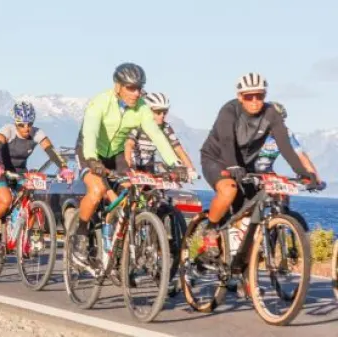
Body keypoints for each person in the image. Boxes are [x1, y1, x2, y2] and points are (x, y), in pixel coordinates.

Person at [197, 73, 320, 256]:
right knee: (229, 190)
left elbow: (286, 147)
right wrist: (232, 166)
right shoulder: (230, 110)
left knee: (250, 210)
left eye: (260, 96)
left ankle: (244, 267)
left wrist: (303, 172)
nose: (255, 101)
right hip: (217, 159)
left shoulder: (272, 114)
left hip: (244, 165)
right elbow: (226, 140)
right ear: (240, 97)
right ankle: (210, 228)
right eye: (249, 96)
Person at [72, 63, 183, 264]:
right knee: (97, 191)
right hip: (89, 152)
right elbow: (90, 132)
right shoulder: (101, 102)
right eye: (130, 88)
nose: (136, 93)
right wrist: (92, 159)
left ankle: (118, 241)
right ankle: (79, 236)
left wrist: (175, 164)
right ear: (118, 87)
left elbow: (156, 135)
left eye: (139, 88)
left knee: (132, 192)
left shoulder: (141, 108)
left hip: (115, 154)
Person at [0, 100, 73, 250]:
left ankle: (23, 236)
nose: (26, 128)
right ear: (15, 123)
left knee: (30, 200)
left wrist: (64, 168)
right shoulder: (8, 130)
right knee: (5, 200)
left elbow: (51, 151)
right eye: (21, 124)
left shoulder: (37, 133)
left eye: (29, 124)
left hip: (19, 171)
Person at [124, 92, 197, 177]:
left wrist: (191, 169)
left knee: (155, 188)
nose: (162, 116)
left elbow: (178, 149)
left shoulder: (165, 127)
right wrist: (127, 163)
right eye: (158, 112)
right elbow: (129, 144)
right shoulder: (138, 124)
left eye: (165, 112)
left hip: (148, 164)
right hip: (131, 162)